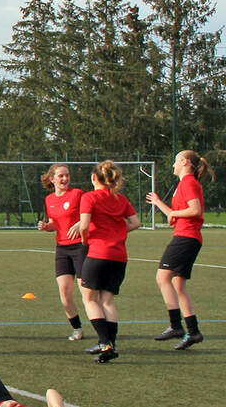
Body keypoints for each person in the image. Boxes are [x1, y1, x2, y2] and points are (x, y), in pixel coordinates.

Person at [69, 160, 142, 364]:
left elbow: (84, 225)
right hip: (119, 256)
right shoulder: (120, 199)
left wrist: (85, 239)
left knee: (89, 298)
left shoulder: (89, 197)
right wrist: (117, 233)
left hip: (98, 253)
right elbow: (136, 222)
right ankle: (111, 343)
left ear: (94, 178)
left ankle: (105, 343)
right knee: (107, 301)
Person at [146, 150, 213, 351]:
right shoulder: (182, 185)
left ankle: (176, 326)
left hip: (186, 238)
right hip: (187, 236)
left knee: (162, 277)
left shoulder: (189, 183)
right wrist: (159, 204)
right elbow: (174, 217)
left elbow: (195, 210)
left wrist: (174, 212)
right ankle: (193, 332)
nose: (173, 165)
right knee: (177, 283)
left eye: (175, 161)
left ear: (184, 162)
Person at [37, 164, 88, 341]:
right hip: (62, 249)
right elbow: (54, 223)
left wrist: (80, 223)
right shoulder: (49, 199)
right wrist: (46, 227)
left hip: (80, 246)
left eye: (67, 175)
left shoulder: (77, 194)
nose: (65, 179)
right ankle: (77, 329)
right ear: (52, 179)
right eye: (61, 176)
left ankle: (102, 328)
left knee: (86, 291)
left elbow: (88, 215)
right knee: (65, 294)